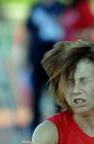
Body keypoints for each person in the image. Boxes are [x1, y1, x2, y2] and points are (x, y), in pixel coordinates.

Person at [26, 0, 64, 132]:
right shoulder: (35, 8)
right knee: (36, 93)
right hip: (37, 58)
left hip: (55, 58)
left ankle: (60, 123)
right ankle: (34, 124)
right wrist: (28, 57)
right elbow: (29, 34)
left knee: (57, 92)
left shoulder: (60, 8)